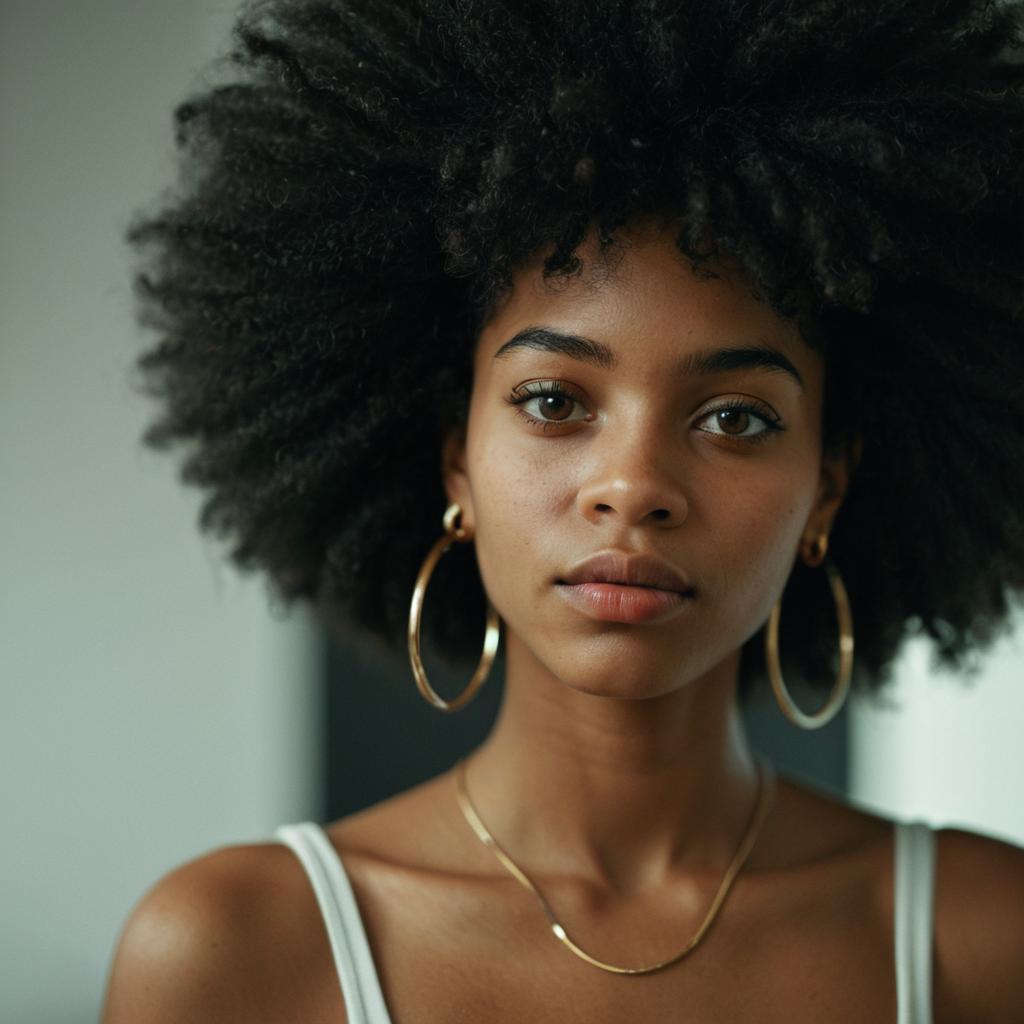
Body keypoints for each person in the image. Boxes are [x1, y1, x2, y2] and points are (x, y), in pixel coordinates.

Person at [102, 0, 1024, 1020]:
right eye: (553, 401)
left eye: (735, 417)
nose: (630, 486)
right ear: (457, 456)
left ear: (829, 485)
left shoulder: (978, 942)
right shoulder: (238, 952)